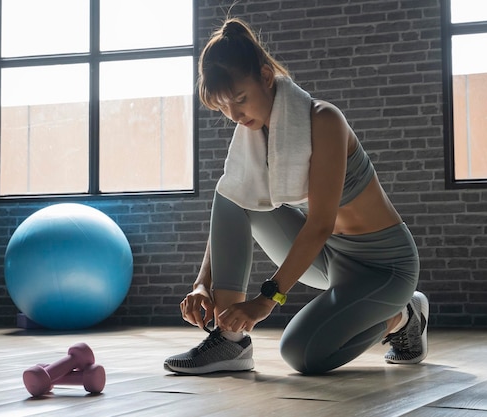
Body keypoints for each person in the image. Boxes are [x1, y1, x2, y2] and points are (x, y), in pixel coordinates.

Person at [163, 17, 428, 375]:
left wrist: (265, 301)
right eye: (224, 107)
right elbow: (234, 197)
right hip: (328, 259)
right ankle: (229, 340)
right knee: (231, 192)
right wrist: (201, 284)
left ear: (266, 77)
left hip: (384, 267)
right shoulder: (254, 136)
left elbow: (320, 224)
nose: (235, 115)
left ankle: (402, 315)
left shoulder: (324, 120)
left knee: (302, 355)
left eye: (241, 99)